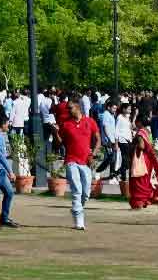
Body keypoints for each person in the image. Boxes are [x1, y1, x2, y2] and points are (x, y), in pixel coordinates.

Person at [60, 98, 100, 231]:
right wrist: (55, 133)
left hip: (85, 161)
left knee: (86, 192)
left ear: (77, 107)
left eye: (70, 108)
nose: (68, 110)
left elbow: (98, 139)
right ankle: (79, 219)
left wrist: (93, 154)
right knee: (76, 189)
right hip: (71, 160)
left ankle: (77, 209)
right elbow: (61, 142)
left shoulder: (90, 121)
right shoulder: (66, 124)